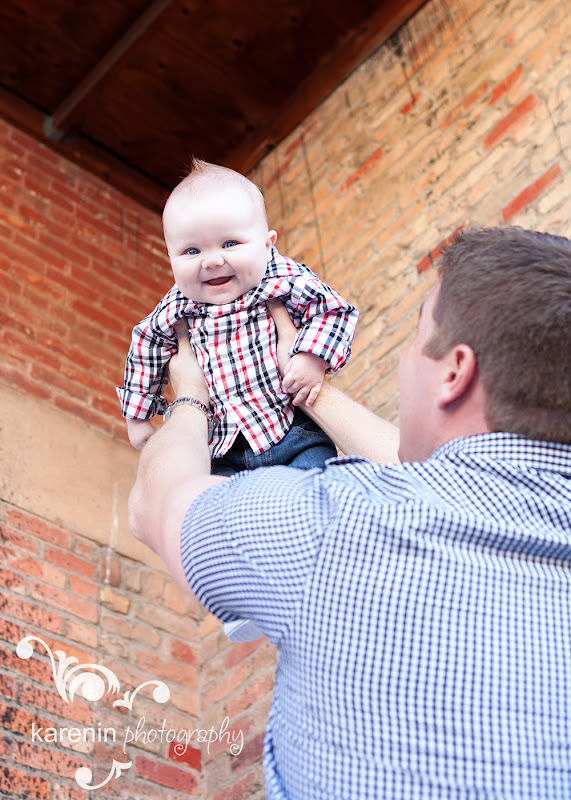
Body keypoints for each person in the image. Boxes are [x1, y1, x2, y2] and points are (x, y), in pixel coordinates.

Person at [128, 226, 571, 799]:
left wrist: (189, 395)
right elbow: (436, 481)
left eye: (416, 340)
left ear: (454, 373)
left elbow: (155, 500)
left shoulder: (334, 528)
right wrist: (308, 387)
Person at [117, 158, 357, 642]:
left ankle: (333, 569)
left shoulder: (281, 279)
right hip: (224, 448)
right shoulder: (176, 307)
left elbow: (333, 311)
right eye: (191, 250)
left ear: (268, 243)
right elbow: (145, 348)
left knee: (317, 499)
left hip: (290, 430)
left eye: (230, 244)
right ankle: (241, 599)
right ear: (171, 260)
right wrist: (139, 415)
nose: (212, 261)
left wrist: (311, 358)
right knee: (218, 522)